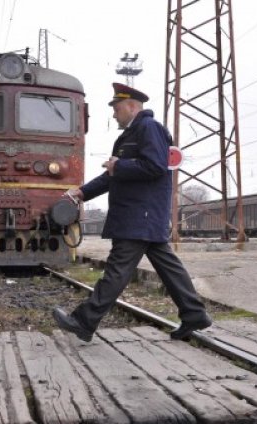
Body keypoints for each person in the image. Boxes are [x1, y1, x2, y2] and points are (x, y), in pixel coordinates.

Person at [52, 83, 212, 342]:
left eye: (116, 108)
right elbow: (112, 176)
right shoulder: (129, 135)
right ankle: (194, 314)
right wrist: (81, 193)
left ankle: (84, 321)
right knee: (169, 267)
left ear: (131, 106)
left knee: (117, 271)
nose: (114, 114)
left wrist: (121, 165)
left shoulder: (149, 128)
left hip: (140, 215)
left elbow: (156, 166)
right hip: (140, 216)